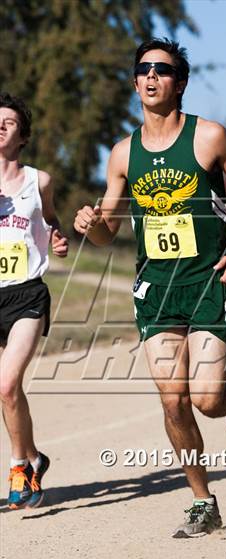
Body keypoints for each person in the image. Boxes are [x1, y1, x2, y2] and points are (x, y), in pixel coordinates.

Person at [74, 38, 226, 537]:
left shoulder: (209, 138)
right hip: (155, 288)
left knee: (205, 398)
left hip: (206, 281)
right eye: (143, 69)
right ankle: (203, 500)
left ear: (180, 82)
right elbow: (107, 231)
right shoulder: (122, 153)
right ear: (136, 81)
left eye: (163, 69)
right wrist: (90, 222)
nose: (152, 76)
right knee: (173, 402)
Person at [0, 92, 69, 509]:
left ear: (22, 135)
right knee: (8, 392)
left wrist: (57, 237)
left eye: (8, 121)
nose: (0, 126)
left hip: (26, 293)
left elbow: (52, 220)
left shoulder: (38, 181)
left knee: (6, 384)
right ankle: (35, 457)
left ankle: (19, 468)